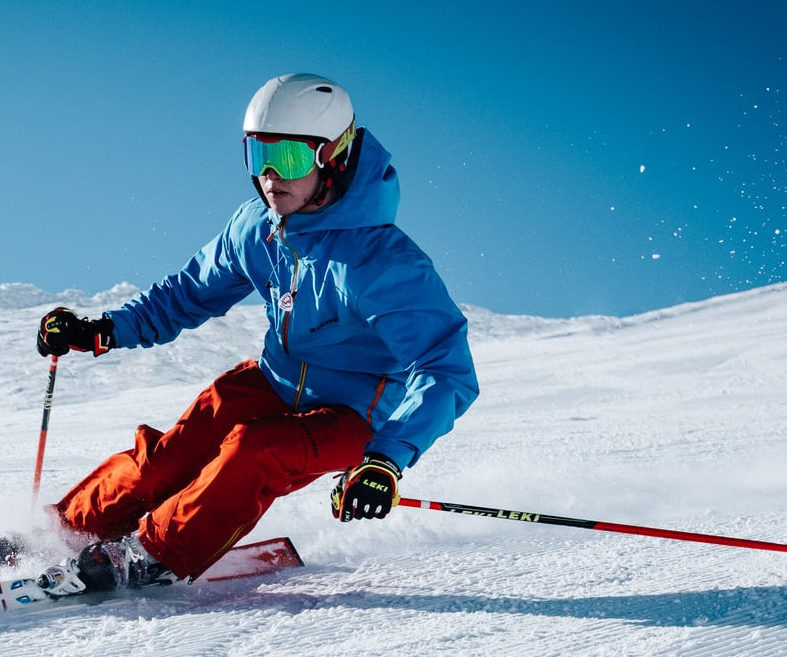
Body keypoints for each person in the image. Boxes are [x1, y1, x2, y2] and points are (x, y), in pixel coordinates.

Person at [32, 73, 480, 594]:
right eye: (257, 156)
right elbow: (186, 294)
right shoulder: (257, 227)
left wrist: (386, 458)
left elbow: (444, 370)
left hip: (354, 415)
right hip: (273, 381)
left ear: (332, 156)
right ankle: (60, 532)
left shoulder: (381, 263)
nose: (269, 177)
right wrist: (102, 329)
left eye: (287, 158)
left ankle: (150, 555)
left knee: (255, 449)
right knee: (172, 456)